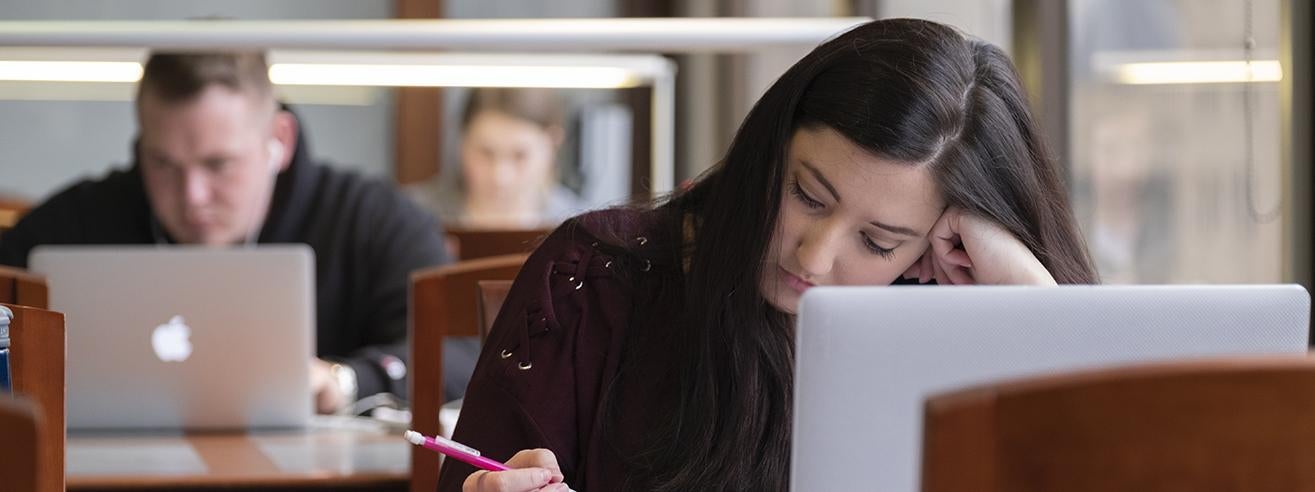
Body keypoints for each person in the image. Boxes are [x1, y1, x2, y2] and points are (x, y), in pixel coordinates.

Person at [438, 18, 1098, 492]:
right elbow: (475, 474)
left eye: (877, 241)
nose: (814, 256)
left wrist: (1027, 299)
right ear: (767, 150)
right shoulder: (597, 279)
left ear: (932, 248)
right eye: (806, 196)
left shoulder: (954, 313)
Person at [0, 52, 452, 414]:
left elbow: (463, 353)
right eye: (162, 164)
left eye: (218, 165)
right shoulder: (75, 222)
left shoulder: (370, 220)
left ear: (281, 139)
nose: (193, 195)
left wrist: (345, 381)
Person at [408, 87, 587, 230]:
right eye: (485, 152)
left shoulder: (577, 227)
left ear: (553, 144)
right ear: (462, 141)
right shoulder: (413, 217)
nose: (500, 177)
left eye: (520, 156)